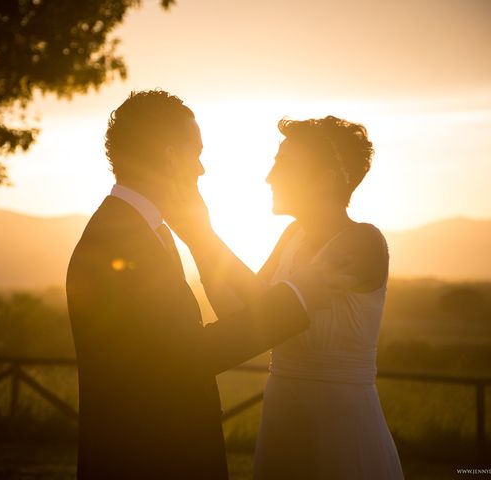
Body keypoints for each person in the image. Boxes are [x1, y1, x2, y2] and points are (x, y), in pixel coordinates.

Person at [66, 91, 342, 480]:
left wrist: (201, 235)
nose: (201, 169)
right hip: (149, 460)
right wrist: (296, 299)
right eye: (195, 153)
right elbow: (188, 356)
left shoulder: (138, 230)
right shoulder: (119, 240)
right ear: (169, 157)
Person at [162, 116, 404, 479]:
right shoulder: (291, 236)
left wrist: (204, 233)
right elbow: (243, 312)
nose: (270, 176)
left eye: (283, 164)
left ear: (325, 178)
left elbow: (274, 306)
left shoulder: (363, 242)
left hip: (340, 419)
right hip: (284, 413)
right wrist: (196, 240)